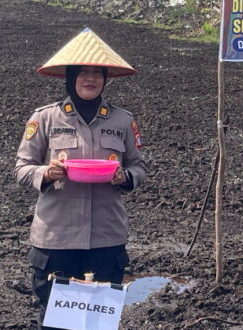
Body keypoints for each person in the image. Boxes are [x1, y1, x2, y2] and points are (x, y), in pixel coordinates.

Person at [15, 28, 146, 328]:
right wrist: (46, 172)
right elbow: (21, 168)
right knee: (57, 322)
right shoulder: (44, 118)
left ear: (105, 78)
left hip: (106, 240)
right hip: (56, 241)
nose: (90, 78)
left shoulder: (123, 121)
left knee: (97, 323)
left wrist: (124, 177)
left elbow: (139, 168)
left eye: (97, 72)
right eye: (82, 72)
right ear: (70, 77)